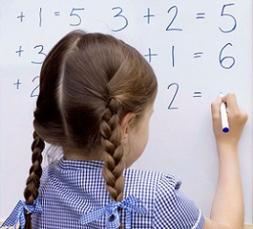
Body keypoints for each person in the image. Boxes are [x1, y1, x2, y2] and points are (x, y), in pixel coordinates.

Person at [1, 30, 247, 229]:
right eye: (149, 116)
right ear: (126, 125)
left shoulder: (40, 189)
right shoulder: (155, 199)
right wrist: (227, 143)